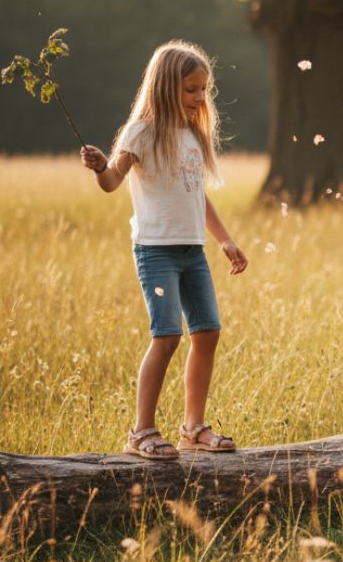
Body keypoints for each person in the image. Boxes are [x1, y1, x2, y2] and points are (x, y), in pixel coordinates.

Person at [80, 41, 247, 459]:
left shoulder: (191, 136)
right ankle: (141, 432)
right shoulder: (141, 132)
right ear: (165, 86)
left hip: (193, 251)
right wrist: (100, 166)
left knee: (207, 332)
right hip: (156, 251)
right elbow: (111, 182)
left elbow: (197, 195)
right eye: (191, 89)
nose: (199, 97)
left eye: (203, 89)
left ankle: (193, 428)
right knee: (167, 335)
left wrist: (225, 239)